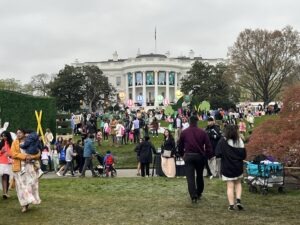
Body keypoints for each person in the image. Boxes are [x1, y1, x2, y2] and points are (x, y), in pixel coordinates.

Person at [178, 115, 213, 204]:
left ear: (189, 122)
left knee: (190, 177)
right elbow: (208, 146)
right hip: (199, 156)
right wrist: (207, 155)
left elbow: (180, 146)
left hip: (188, 156)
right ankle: (199, 192)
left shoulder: (184, 132)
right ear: (197, 122)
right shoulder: (202, 132)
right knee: (200, 175)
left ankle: (193, 196)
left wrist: (182, 154)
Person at [215, 124, 247, 211]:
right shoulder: (239, 141)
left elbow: (217, 153)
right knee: (238, 183)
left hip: (227, 167)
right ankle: (239, 200)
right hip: (238, 167)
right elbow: (244, 155)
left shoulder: (222, 141)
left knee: (230, 186)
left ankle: (231, 205)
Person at [10, 129, 41, 213]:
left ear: (24, 134)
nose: (18, 134)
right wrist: (24, 156)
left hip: (30, 167)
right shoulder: (15, 142)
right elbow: (13, 153)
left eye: (20, 133)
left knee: (30, 185)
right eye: (17, 133)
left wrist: (32, 157)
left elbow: (38, 153)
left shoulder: (31, 141)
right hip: (19, 168)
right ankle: (24, 205)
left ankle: (29, 201)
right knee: (21, 187)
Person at [0, 131, 13, 199]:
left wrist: (10, 154)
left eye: (5, 136)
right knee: (3, 177)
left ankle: (5, 192)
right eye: (3, 136)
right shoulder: (1, 143)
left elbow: (13, 153)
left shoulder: (11, 143)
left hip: (8, 163)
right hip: (1, 162)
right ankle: (5, 192)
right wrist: (1, 151)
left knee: (6, 177)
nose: (4, 137)